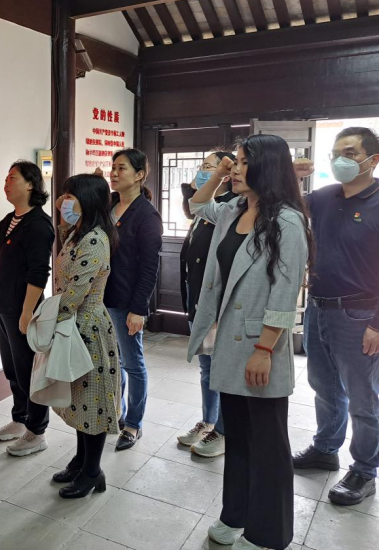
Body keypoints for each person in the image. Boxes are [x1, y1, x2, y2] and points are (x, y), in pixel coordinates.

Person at [188, 135, 313, 550]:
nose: (236, 169)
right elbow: (196, 205)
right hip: (230, 341)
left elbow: (285, 292)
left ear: (267, 167)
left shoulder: (287, 221)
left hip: (261, 346)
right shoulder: (233, 209)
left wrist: (264, 350)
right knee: (238, 437)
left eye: (243, 162)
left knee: (268, 443)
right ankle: (235, 514)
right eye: (235, 162)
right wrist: (219, 175)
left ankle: (269, 532)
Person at [292, 127, 379, 506]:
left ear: (373, 159)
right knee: (323, 386)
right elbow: (283, 208)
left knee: (362, 398)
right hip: (318, 307)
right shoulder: (323, 198)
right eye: (335, 153)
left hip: (360, 314)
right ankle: (325, 448)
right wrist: (291, 175)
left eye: (350, 152)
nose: (339, 159)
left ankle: (364, 470)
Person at [51, 174, 121, 498]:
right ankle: (81, 461)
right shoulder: (77, 233)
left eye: (70, 196)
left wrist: (49, 320)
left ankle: (93, 472)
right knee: (79, 401)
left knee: (92, 403)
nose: (64, 202)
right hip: (72, 323)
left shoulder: (94, 240)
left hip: (87, 327)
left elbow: (75, 293)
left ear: (88, 201)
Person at [0, 160, 55, 457]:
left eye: (13, 178)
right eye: (6, 178)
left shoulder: (38, 224)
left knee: (28, 371)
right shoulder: (12, 218)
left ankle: (37, 431)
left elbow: (39, 273)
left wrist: (27, 312)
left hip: (22, 310)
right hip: (2, 306)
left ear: (31, 184)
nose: (6, 183)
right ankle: (20, 418)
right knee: (12, 368)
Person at [102, 149, 163, 451]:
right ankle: (117, 413)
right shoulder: (109, 206)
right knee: (113, 362)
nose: (114, 173)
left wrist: (139, 309)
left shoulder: (146, 215)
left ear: (139, 175)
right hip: (103, 297)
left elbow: (150, 267)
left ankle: (133, 424)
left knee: (132, 363)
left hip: (127, 301)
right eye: (113, 167)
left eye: (121, 168)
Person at [178, 150, 237, 458]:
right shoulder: (207, 208)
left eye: (209, 167)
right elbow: (192, 202)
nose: (203, 171)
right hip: (197, 296)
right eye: (202, 166)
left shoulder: (231, 207)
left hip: (216, 300)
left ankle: (224, 430)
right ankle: (208, 421)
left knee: (220, 367)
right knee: (206, 367)